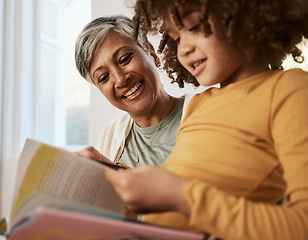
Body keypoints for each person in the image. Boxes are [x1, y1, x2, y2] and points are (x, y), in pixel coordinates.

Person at [105, 0, 308, 239]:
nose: (183, 49)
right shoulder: (200, 104)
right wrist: (108, 175)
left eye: (194, 27)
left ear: (243, 15)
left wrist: (181, 196)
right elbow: (167, 204)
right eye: (176, 38)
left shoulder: (289, 90)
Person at [75, 15, 194, 168]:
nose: (120, 80)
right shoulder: (109, 137)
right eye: (104, 77)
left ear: (152, 53)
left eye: (124, 59)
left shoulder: (203, 112)